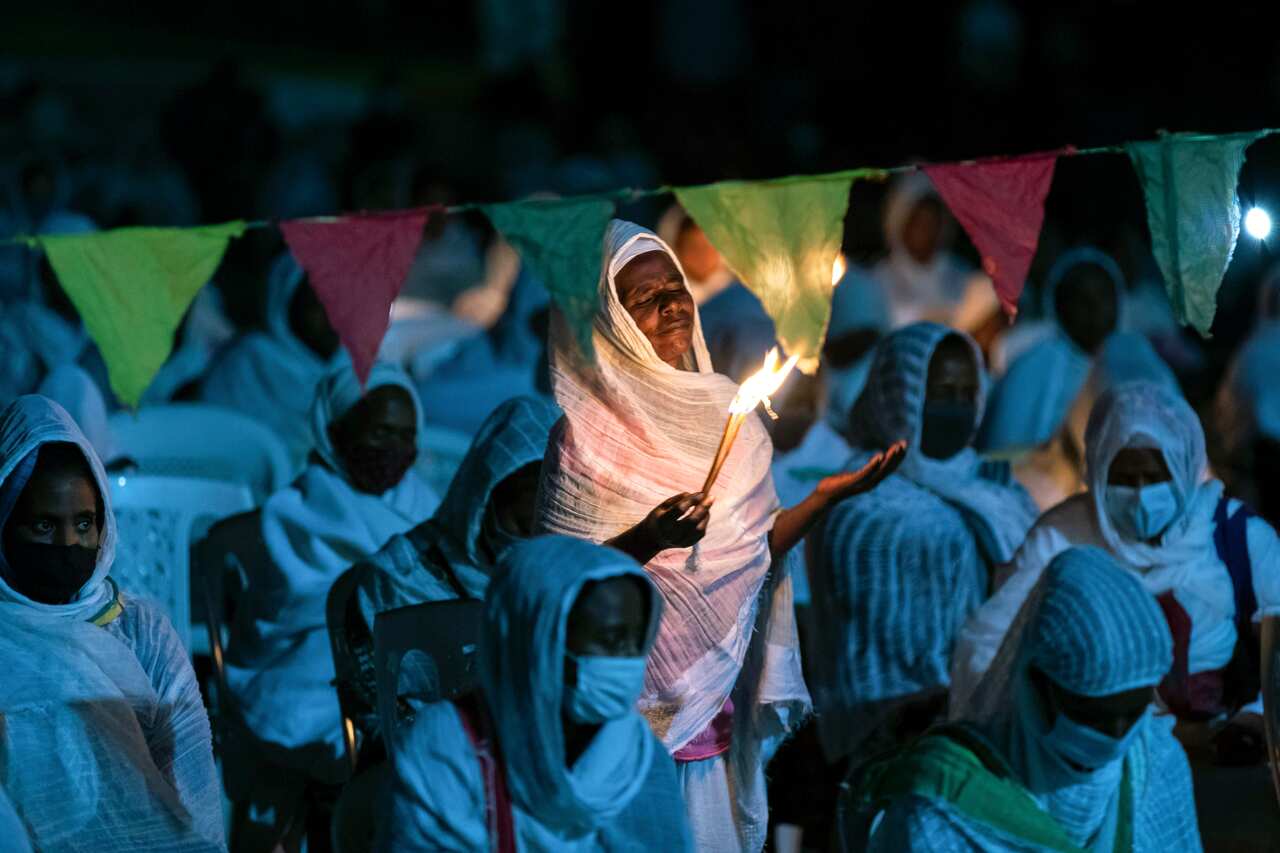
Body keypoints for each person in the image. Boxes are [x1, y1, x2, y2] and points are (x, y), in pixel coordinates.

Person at [537, 219, 903, 851]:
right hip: (617, 727)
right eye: (644, 299)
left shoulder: (729, 414)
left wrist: (821, 500)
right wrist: (645, 541)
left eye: (674, 285)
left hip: (710, 714)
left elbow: (752, 557)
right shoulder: (581, 441)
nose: (672, 303)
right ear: (609, 324)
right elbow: (555, 587)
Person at [952, 382, 1280, 759]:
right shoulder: (1065, 535)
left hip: (1231, 756)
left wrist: (1256, 718)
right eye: (1123, 479)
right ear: (1097, 473)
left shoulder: (1239, 538)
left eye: (1156, 477)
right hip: (1098, 754)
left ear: (1186, 468)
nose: (1141, 494)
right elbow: (990, 642)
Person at [854, 547, 1201, 853]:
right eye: (1091, 715)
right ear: (1034, 685)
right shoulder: (939, 808)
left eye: (1132, 713)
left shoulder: (1155, 765)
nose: (1115, 735)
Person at [222, 362, 440, 844]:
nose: (393, 449)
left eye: (406, 436)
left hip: (394, 668)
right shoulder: (295, 510)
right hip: (298, 668)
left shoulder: (422, 505)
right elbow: (296, 614)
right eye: (379, 431)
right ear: (336, 426)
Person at [807, 324, 1038, 771]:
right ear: (900, 397)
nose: (956, 407)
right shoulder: (861, 502)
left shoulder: (995, 488)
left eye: (967, 393)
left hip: (997, 727)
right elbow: (874, 648)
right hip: (895, 743)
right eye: (940, 393)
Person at [0, 396, 223, 851]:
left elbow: (190, 768)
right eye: (44, 526)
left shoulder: (140, 629)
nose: (68, 543)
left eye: (84, 524)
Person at [377, 535, 693, 851]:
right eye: (609, 640)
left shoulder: (636, 756)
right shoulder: (447, 746)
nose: (628, 658)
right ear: (536, 638)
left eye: (636, 640)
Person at [344, 395, 560, 736]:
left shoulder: (565, 578)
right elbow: (388, 713)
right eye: (523, 521)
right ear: (486, 495)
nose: (536, 536)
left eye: (551, 520)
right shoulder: (400, 577)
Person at [201, 252, 344, 467]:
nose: (333, 317)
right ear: (286, 302)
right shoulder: (248, 364)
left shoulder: (360, 372)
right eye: (318, 304)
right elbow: (212, 448)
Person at [979, 247, 1123, 453]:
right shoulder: (1036, 366)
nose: (1095, 308)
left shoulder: (1129, 359)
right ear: (1059, 304)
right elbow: (1004, 455)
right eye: (1082, 299)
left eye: (1103, 296)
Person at [870, 171, 972, 329]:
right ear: (900, 222)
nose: (925, 232)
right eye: (918, 222)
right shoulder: (878, 279)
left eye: (932, 223)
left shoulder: (963, 276)